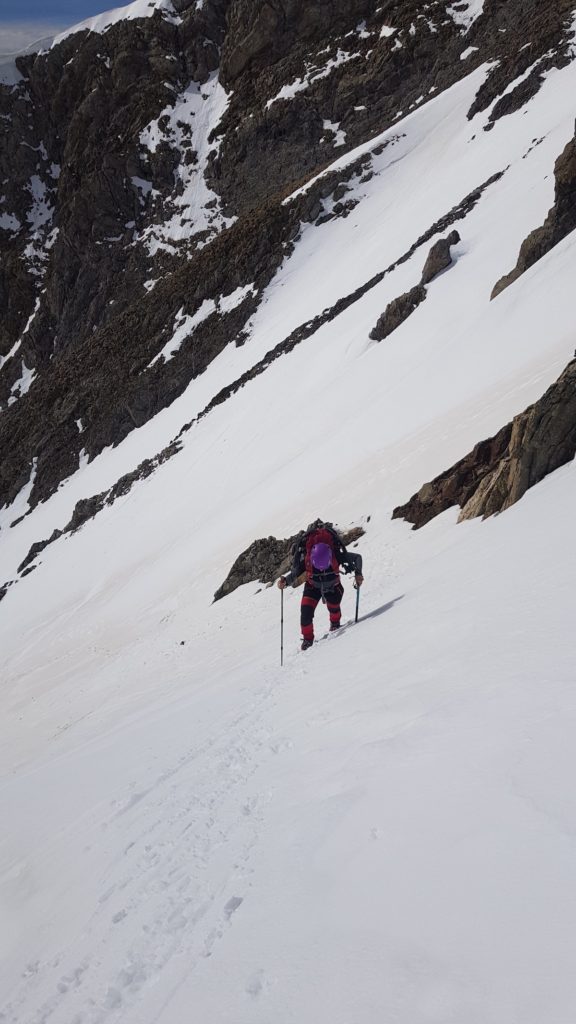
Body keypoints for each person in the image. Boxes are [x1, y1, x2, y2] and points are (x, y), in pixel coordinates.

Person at [277, 521, 363, 650]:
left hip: (331, 585)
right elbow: (296, 572)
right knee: (305, 613)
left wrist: (358, 574)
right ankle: (307, 640)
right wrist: (285, 581)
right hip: (313, 586)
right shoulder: (308, 559)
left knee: (334, 607)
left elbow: (357, 558)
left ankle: (335, 623)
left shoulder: (336, 554)